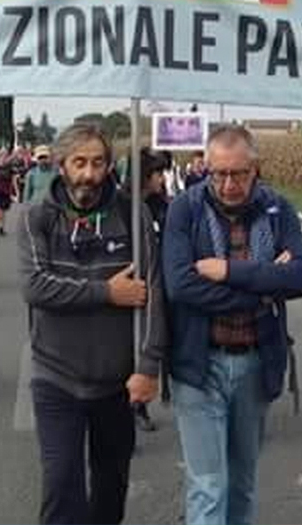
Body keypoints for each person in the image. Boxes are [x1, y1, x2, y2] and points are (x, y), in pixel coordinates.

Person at [163, 124, 302, 525]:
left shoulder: (279, 210)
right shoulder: (186, 209)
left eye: (239, 174)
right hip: (198, 363)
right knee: (209, 486)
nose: (229, 184)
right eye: (219, 174)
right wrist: (264, 287)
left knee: (243, 483)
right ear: (206, 169)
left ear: (256, 169)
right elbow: (181, 286)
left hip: (255, 362)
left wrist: (228, 269)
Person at [19, 124, 167, 525]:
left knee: (109, 489)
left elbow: (153, 291)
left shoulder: (131, 214)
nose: (89, 173)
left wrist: (149, 365)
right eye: (79, 162)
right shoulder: (38, 216)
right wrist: (106, 292)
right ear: (61, 165)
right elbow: (35, 286)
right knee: (61, 486)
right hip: (56, 378)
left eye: (97, 162)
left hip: (117, 383)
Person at [120, 147, 174, 433]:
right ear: (147, 175)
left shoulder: (153, 204)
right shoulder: (135, 208)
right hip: (137, 291)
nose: (162, 179)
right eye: (158, 173)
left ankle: (135, 410)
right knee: (136, 350)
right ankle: (132, 411)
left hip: (141, 287)